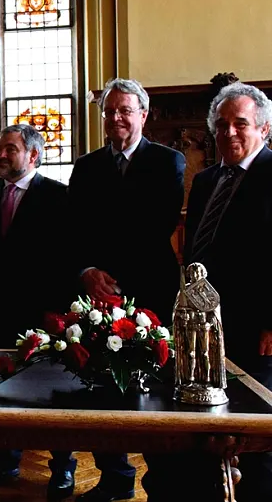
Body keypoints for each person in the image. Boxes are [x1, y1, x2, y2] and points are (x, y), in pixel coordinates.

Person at [143, 82, 272, 502]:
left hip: (257, 328)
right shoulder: (204, 181)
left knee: (256, 437)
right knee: (204, 425)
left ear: (264, 129)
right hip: (204, 326)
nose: (229, 132)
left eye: (241, 124)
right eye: (221, 124)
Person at [67, 78, 186, 502]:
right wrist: (87, 271)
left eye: (125, 110)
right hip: (96, 294)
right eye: (109, 111)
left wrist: (113, 275)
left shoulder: (168, 161)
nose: (115, 117)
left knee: (154, 386)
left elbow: (158, 224)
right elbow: (72, 228)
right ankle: (114, 476)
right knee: (100, 387)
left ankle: (161, 481)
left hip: (150, 290)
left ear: (143, 115)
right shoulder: (86, 167)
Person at [0, 124, 76, 499]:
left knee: (51, 391)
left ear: (33, 155)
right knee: (0, 386)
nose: (1, 155)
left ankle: (62, 465)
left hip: (43, 312)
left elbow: (67, 258)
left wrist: (62, 314)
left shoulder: (58, 196)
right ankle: (5, 459)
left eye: (10, 149)